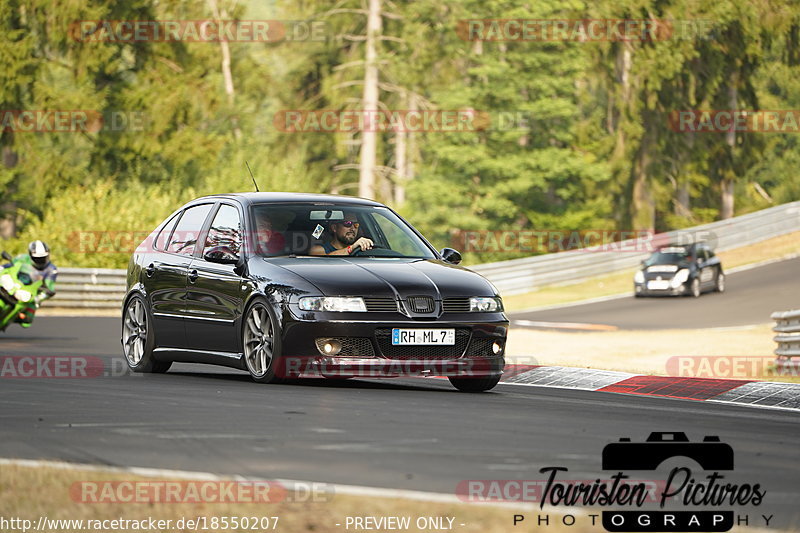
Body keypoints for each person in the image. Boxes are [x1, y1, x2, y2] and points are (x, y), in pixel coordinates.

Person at [1, 240, 57, 326]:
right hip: (15, 284)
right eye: (37, 258)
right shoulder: (22, 258)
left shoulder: (51, 270)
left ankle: (17, 316)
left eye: (42, 258)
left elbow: (50, 287)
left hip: (30, 292)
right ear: (31, 254)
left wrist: (38, 298)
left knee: (27, 320)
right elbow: (10, 265)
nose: (40, 260)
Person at [309, 213, 373, 256]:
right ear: (334, 228)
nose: (353, 228)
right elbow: (324, 262)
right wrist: (351, 248)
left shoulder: (362, 249)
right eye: (348, 223)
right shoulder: (318, 250)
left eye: (356, 225)